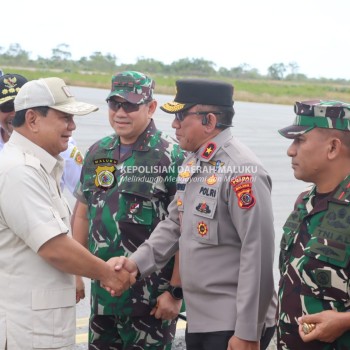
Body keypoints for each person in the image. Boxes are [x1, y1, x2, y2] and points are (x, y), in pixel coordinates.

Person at [107, 78, 277, 350]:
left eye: (180, 116)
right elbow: (175, 223)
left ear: (209, 121)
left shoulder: (242, 171)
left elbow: (258, 254)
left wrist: (247, 332)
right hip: (202, 319)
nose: (174, 124)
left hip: (232, 323)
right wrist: (135, 265)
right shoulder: (194, 161)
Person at [0, 77, 133, 350]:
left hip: (39, 327)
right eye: (64, 118)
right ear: (33, 120)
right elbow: (54, 247)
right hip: (26, 333)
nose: (72, 127)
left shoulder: (40, 167)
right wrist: (106, 273)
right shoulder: (19, 172)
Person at [71, 71, 186, 349]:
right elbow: (83, 213)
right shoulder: (100, 151)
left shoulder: (171, 156)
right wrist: (76, 273)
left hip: (149, 304)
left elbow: (185, 228)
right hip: (103, 299)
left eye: (131, 105)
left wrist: (175, 291)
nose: (120, 113)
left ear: (151, 107)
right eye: (115, 104)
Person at [277, 100, 350, 349]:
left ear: (332, 147)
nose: (290, 150)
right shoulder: (305, 201)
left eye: (299, 140)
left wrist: (344, 321)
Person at [0, 73, 84, 194]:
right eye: (7, 106)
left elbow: (86, 196)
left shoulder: (62, 147)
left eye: (19, 106)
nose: (15, 112)